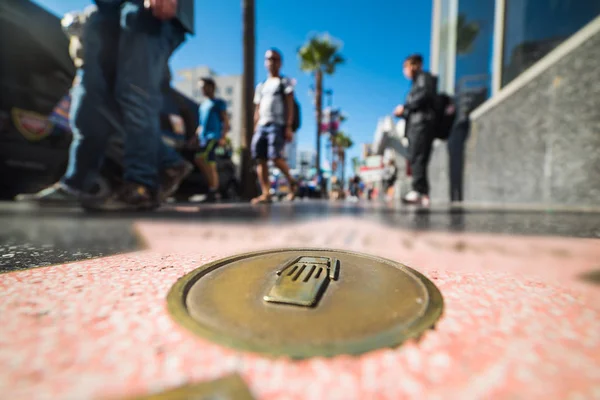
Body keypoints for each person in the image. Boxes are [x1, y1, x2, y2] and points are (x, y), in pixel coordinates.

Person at [22, 0, 195, 211]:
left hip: (143, 10)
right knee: (90, 102)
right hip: (107, 10)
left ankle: (142, 184)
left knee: (135, 91)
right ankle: (78, 182)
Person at [250, 48, 298, 204]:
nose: (271, 62)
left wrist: (288, 126)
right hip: (261, 126)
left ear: (280, 63)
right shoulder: (261, 86)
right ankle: (266, 193)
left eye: (275, 59)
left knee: (275, 157)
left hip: (278, 124)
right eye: (269, 59)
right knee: (260, 158)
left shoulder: (284, 82)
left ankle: (291, 181)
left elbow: (290, 104)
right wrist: (255, 126)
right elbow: (257, 108)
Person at [394, 53, 436, 207]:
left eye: (405, 67)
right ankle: (420, 191)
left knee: (418, 157)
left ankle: (419, 191)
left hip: (421, 125)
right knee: (415, 157)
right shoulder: (415, 83)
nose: (405, 71)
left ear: (414, 65)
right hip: (416, 124)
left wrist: (405, 107)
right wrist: (403, 112)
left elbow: (424, 97)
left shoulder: (423, 78)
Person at [193, 77, 229, 203]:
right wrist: (195, 137)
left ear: (211, 87)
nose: (202, 89)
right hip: (203, 137)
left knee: (201, 158)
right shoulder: (202, 105)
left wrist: (223, 137)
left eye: (203, 87)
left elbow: (225, 121)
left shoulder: (218, 103)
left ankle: (213, 190)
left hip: (213, 136)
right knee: (209, 163)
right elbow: (201, 124)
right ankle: (213, 190)